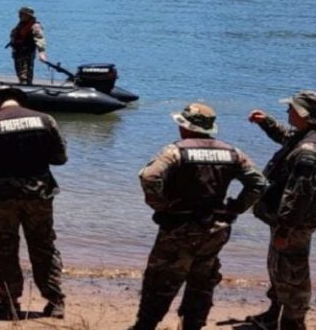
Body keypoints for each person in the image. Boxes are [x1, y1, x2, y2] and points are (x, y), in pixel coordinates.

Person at [130, 103, 265, 330]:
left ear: (185, 127)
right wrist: (236, 208)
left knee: (160, 281)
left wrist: (161, 205)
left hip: (179, 227)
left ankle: (146, 325)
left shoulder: (176, 151)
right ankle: (192, 325)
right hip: (214, 229)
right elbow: (259, 183)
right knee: (202, 281)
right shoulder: (232, 152)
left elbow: (149, 177)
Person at [0, 87, 67, 321]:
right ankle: (55, 302)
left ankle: (9, 303)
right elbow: (60, 158)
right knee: (44, 246)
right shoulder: (46, 120)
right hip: (39, 196)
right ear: (21, 101)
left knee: (3, 248)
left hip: (0, 198)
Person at [245, 91, 316, 330]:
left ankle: (293, 322)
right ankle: (274, 313)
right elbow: (287, 136)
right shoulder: (304, 136)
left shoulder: (308, 152)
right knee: (278, 267)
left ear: (305, 114)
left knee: (293, 273)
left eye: (292, 109)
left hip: (294, 224)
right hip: (285, 221)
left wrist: (285, 229)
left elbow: (299, 196)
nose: (288, 112)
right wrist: (266, 122)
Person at [7, 6, 48, 85]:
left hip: (26, 54)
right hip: (18, 53)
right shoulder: (21, 24)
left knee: (25, 75)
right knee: (20, 73)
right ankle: (23, 85)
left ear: (28, 15)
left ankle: (26, 87)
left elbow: (40, 39)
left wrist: (42, 53)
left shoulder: (35, 26)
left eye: (21, 14)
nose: (19, 16)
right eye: (19, 14)